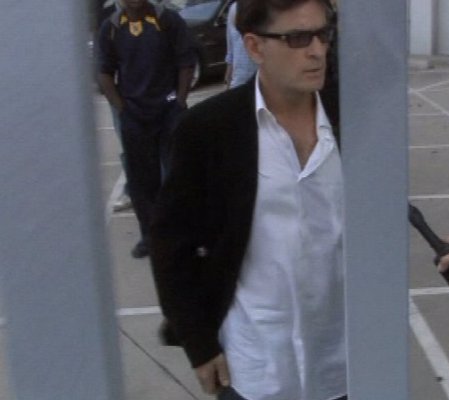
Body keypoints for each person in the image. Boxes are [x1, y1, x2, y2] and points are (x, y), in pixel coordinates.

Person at [150, 0, 346, 399]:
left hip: (347, 361)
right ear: (255, 47)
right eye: (298, 38)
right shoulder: (209, 130)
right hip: (255, 365)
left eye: (323, 34)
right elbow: (171, 244)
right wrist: (199, 345)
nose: (317, 51)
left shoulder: (352, 117)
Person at [97, 0, 195, 258]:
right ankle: (151, 238)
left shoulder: (168, 21)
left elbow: (186, 63)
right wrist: (122, 109)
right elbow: (104, 72)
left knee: (177, 176)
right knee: (142, 183)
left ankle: (181, 234)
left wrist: (179, 101)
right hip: (134, 118)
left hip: (169, 113)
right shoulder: (111, 27)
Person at [224, 1, 258, 88]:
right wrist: (229, 73)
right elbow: (231, 47)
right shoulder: (234, 8)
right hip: (240, 79)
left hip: (261, 79)